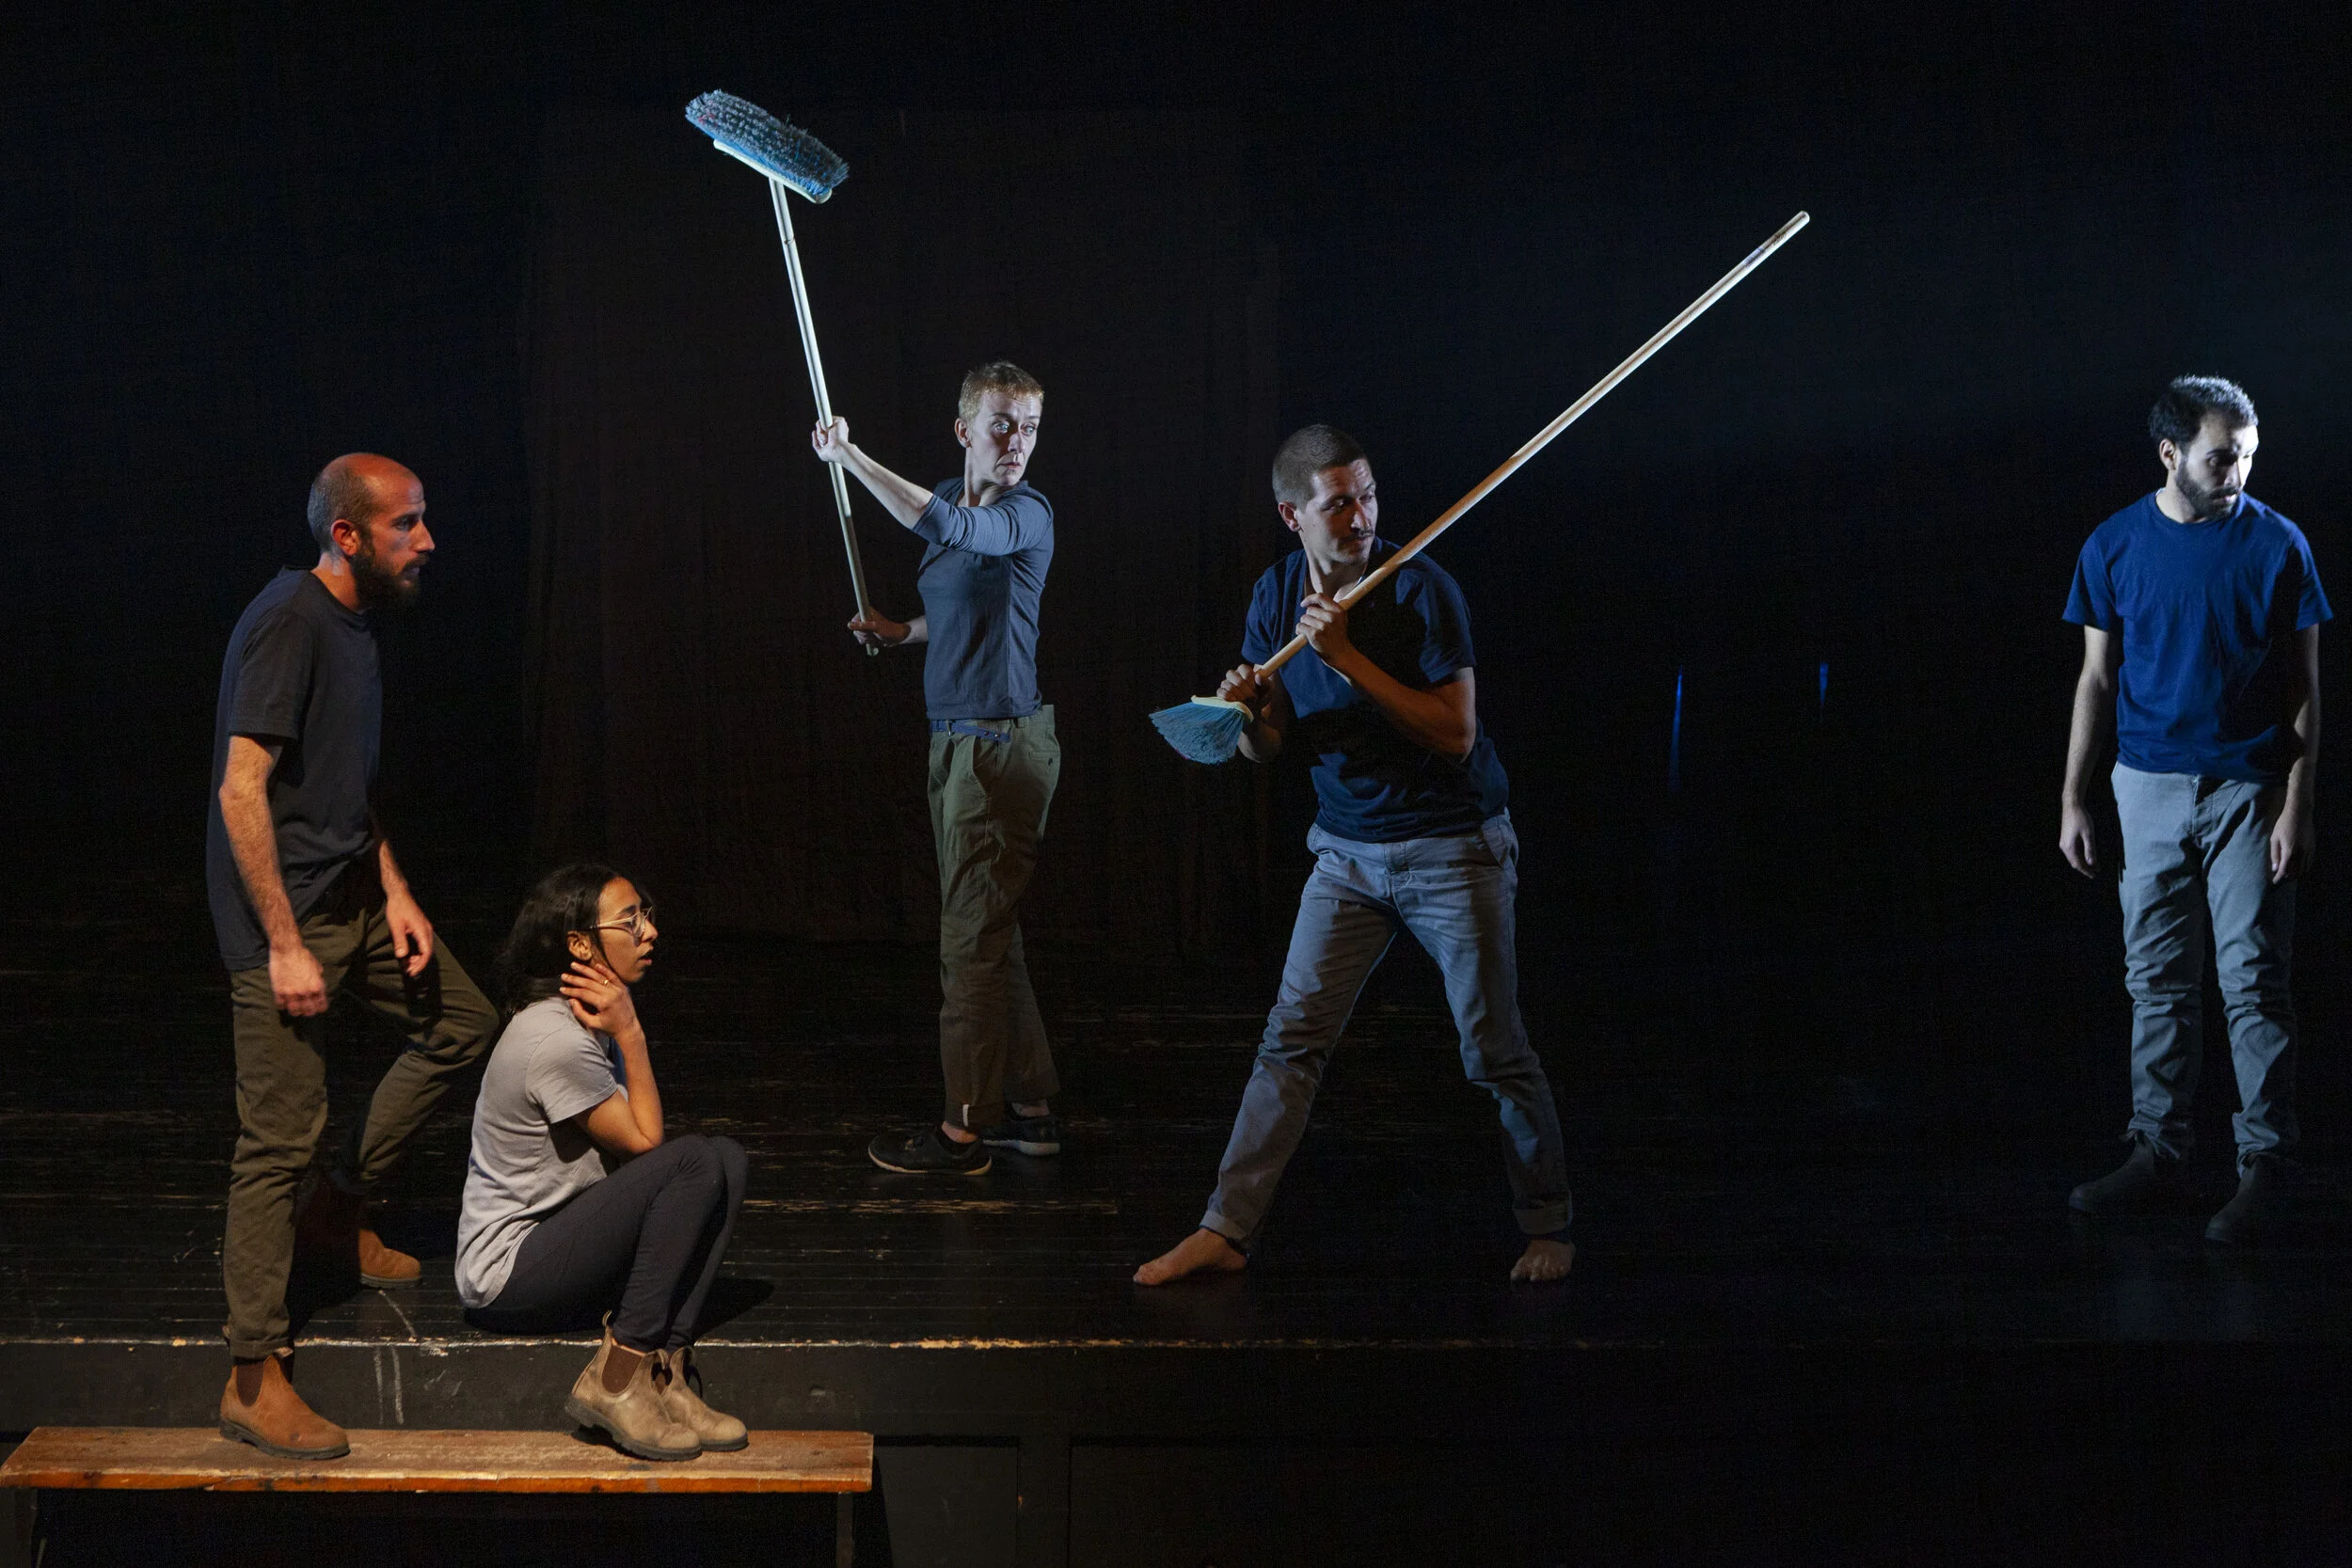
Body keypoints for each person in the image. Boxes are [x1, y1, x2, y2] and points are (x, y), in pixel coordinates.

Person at [1136, 424, 1576, 1287]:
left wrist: (1346, 657)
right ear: (1292, 514)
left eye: (1368, 495)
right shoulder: (1274, 595)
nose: (1363, 517)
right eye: (1339, 503)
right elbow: (1268, 751)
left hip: (1455, 849)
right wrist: (1248, 711)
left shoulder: (1421, 587)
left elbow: (1456, 733)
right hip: (1346, 855)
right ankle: (1225, 1228)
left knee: (1493, 1049)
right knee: (1290, 1041)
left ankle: (1549, 1221)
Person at [209, 454, 500, 1459]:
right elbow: (241, 789)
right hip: (283, 919)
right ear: (347, 536)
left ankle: (335, 1212)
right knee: (277, 1137)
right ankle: (251, 1376)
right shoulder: (290, 623)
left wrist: (397, 888)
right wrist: (284, 944)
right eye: (406, 524)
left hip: (352, 894)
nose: (427, 541)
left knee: (462, 1022)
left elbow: (341, 787)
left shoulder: (358, 621)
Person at [2061, 376, 2327, 1243]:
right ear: (2171, 453)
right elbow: (2096, 679)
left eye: (2247, 456)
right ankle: (2158, 1151)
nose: (2237, 474)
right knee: (2157, 979)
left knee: (2253, 981)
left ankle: (2266, 1164)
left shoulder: (2279, 544)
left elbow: (2305, 687)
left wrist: (2297, 804)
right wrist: (2073, 796)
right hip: (2147, 786)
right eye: (2221, 458)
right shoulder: (2113, 545)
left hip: (2248, 787)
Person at [811, 361, 1063, 1176]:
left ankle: (963, 1131)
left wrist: (850, 457)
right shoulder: (957, 500)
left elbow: (950, 529)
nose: (1017, 441)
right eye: (1002, 424)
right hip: (957, 743)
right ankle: (1031, 1110)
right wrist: (900, 630)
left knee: (968, 944)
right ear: (965, 430)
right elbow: (957, 607)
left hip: (998, 751)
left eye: (1029, 427)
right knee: (992, 932)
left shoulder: (1025, 514)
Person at [457, 864, 750, 1462]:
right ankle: (617, 1378)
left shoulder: (580, 1018)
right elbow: (646, 1142)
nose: (649, 932)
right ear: (580, 945)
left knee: (727, 1159)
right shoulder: (555, 1039)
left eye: (647, 915)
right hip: (509, 1272)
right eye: (630, 920)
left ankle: (665, 1377)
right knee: (694, 1161)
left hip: (564, 1241)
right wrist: (632, 1032)